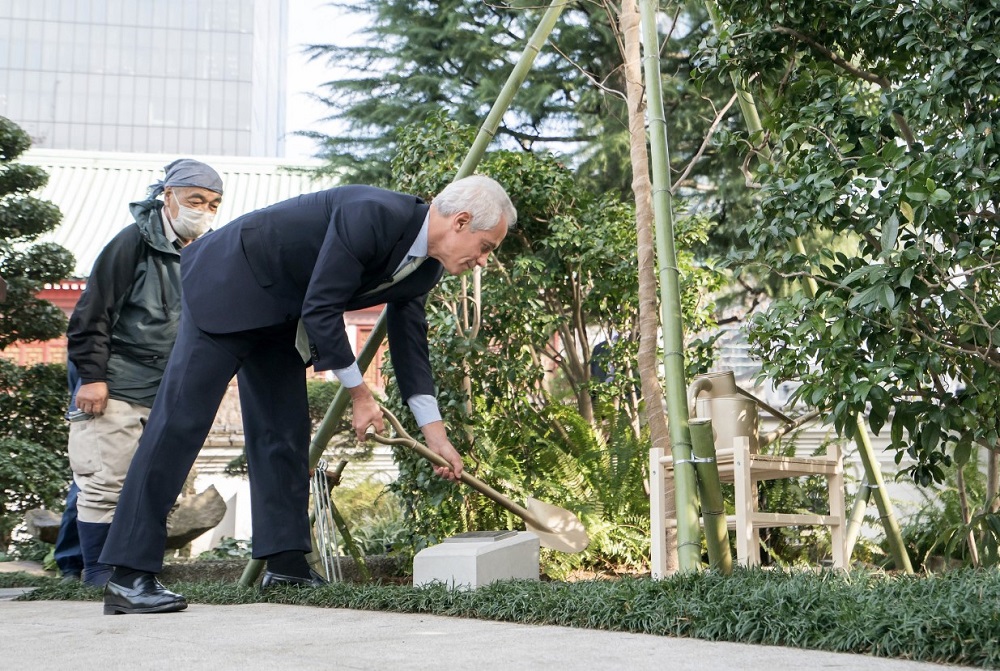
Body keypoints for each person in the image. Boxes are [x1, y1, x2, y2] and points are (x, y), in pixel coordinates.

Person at [99, 175, 516, 615]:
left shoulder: (425, 266)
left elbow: (411, 347)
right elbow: (323, 306)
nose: (483, 261)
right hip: (228, 284)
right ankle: (128, 574)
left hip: (281, 312)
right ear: (461, 221)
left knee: (285, 432)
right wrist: (360, 394)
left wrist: (435, 434)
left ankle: (286, 566)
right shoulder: (373, 213)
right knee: (179, 425)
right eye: (486, 246)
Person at [66, 159, 224, 587]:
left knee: (144, 480)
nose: (204, 210)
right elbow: (91, 314)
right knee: (104, 478)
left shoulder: (204, 248)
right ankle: (97, 572)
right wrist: (93, 377)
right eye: (195, 200)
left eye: (213, 203)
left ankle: (121, 565)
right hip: (116, 379)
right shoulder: (132, 241)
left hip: (165, 387)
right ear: (168, 197)